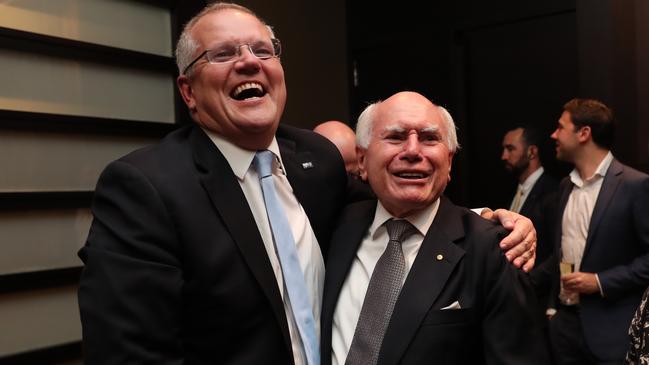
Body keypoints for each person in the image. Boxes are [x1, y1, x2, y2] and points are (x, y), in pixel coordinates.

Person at [77, 3, 537, 364]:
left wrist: (486, 222)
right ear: (188, 91)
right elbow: (129, 354)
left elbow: (398, 207)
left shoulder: (316, 161)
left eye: (262, 50)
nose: (248, 63)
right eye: (222, 54)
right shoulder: (144, 188)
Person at [321, 91, 549, 365]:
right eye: (395, 136)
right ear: (362, 160)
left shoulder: (495, 250)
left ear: (449, 162)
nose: (413, 151)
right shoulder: (334, 227)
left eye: (430, 138)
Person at [546, 98, 649, 364]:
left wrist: (600, 281)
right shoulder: (565, 186)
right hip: (564, 328)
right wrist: (552, 309)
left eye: (560, 127)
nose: (553, 135)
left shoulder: (634, 185)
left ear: (584, 133)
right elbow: (558, 254)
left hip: (613, 329)